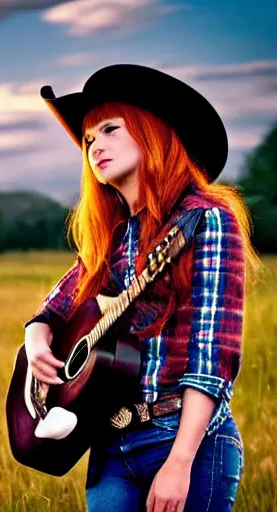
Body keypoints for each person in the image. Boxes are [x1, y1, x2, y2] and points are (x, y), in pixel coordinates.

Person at [23, 65, 259, 512]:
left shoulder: (206, 219)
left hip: (183, 441)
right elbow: (54, 308)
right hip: (110, 442)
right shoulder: (111, 235)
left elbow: (213, 355)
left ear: (153, 132)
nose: (95, 146)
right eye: (89, 140)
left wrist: (179, 462)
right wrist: (36, 337)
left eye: (110, 129)